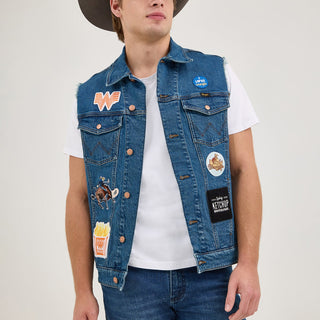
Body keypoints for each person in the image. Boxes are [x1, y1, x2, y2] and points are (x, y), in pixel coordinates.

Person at [64, 0, 263, 319]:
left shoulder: (216, 75)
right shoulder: (91, 96)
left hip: (211, 277)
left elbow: (244, 169)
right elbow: (79, 196)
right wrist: (82, 291)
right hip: (128, 283)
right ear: (116, 5)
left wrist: (249, 263)